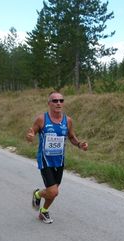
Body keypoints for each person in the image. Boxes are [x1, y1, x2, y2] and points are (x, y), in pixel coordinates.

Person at [26, 91, 88, 224]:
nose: (58, 103)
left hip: (59, 160)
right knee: (53, 191)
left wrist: (79, 144)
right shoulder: (41, 119)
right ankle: (39, 200)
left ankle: (42, 207)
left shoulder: (68, 120)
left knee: (52, 191)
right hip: (45, 159)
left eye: (61, 100)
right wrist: (29, 137)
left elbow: (71, 136)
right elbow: (31, 134)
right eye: (55, 101)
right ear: (49, 103)